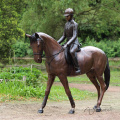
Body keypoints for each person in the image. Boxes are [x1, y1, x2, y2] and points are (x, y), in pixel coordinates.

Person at [57, 8, 81, 74]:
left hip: (74, 42)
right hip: (67, 42)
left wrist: (67, 44)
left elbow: (74, 36)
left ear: (71, 16)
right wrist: (57, 42)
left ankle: (77, 67)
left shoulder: (75, 24)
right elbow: (63, 36)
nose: (66, 17)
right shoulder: (66, 24)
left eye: (67, 16)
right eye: (65, 16)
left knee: (72, 51)